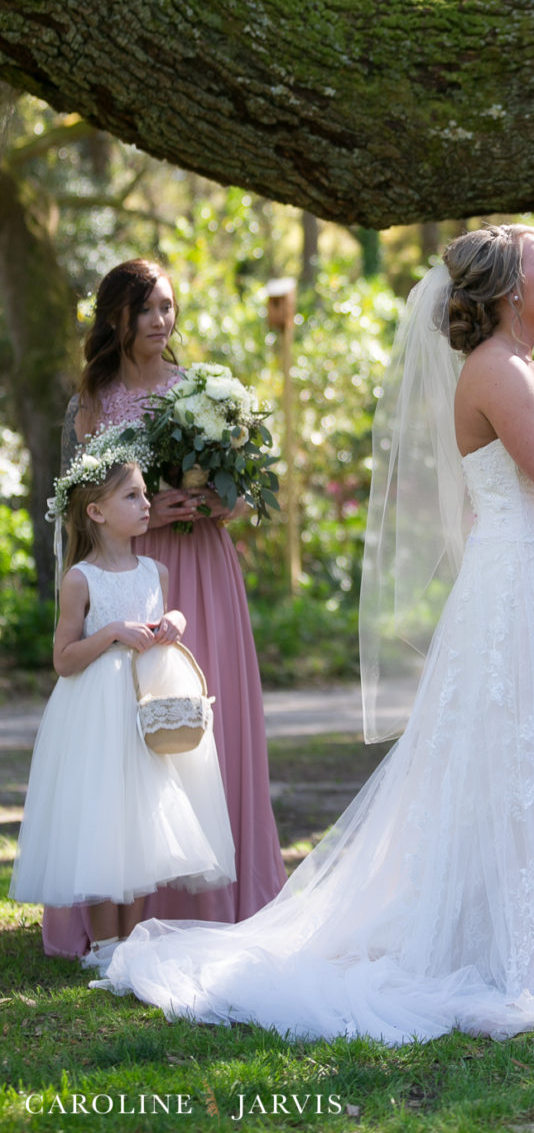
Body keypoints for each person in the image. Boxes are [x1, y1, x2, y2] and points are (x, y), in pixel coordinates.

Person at [98, 225, 534, 1042]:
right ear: (506, 291)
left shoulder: (522, 365)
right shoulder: (492, 370)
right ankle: (520, 939)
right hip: (516, 588)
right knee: (515, 757)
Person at [43, 259, 285, 959]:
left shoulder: (200, 390)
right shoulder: (92, 401)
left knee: (209, 719)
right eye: (145, 308)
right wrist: (148, 517)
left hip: (204, 569)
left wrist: (218, 500)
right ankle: (124, 915)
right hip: (134, 578)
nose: (160, 320)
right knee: (129, 736)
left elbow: (245, 492)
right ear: (115, 315)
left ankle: (215, 901)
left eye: (168, 307)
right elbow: (76, 511)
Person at [11, 455, 235, 967]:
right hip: (97, 710)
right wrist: (111, 632)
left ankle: (133, 942)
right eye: (132, 496)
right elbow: (63, 660)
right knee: (103, 815)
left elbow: (161, 618)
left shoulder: (156, 569)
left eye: (143, 493)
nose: (146, 504)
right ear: (96, 512)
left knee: (143, 819)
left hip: (145, 706)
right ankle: (105, 943)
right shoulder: (80, 579)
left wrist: (172, 619)